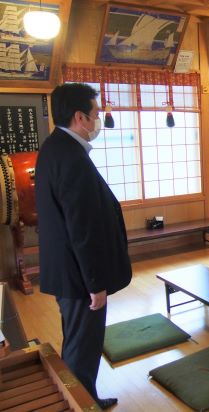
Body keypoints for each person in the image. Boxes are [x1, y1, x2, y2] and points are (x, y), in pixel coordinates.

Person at [35, 83, 132, 410]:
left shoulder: (55, 146)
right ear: (79, 117)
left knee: (78, 342)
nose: (98, 121)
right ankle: (80, 404)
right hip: (79, 277)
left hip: (67, 271)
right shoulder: (71, 157)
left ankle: (84, 396)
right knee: (82, 346)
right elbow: (82, 229)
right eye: (95, 115)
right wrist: (95, 284)